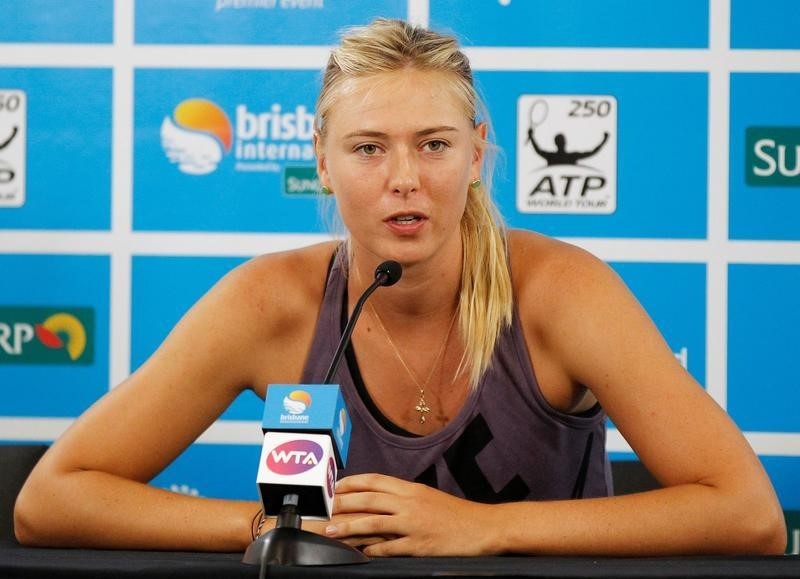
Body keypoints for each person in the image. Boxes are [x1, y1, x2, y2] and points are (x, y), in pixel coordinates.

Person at [15, 18, 786, 557]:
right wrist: (267, 525)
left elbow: (748, 514)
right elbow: (50, 500)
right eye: (368, 148)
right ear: (320, 158)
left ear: (479, 151)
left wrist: (483, 529)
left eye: (435, 144)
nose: (404, 180)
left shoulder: (559, 291)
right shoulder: (270, 302)